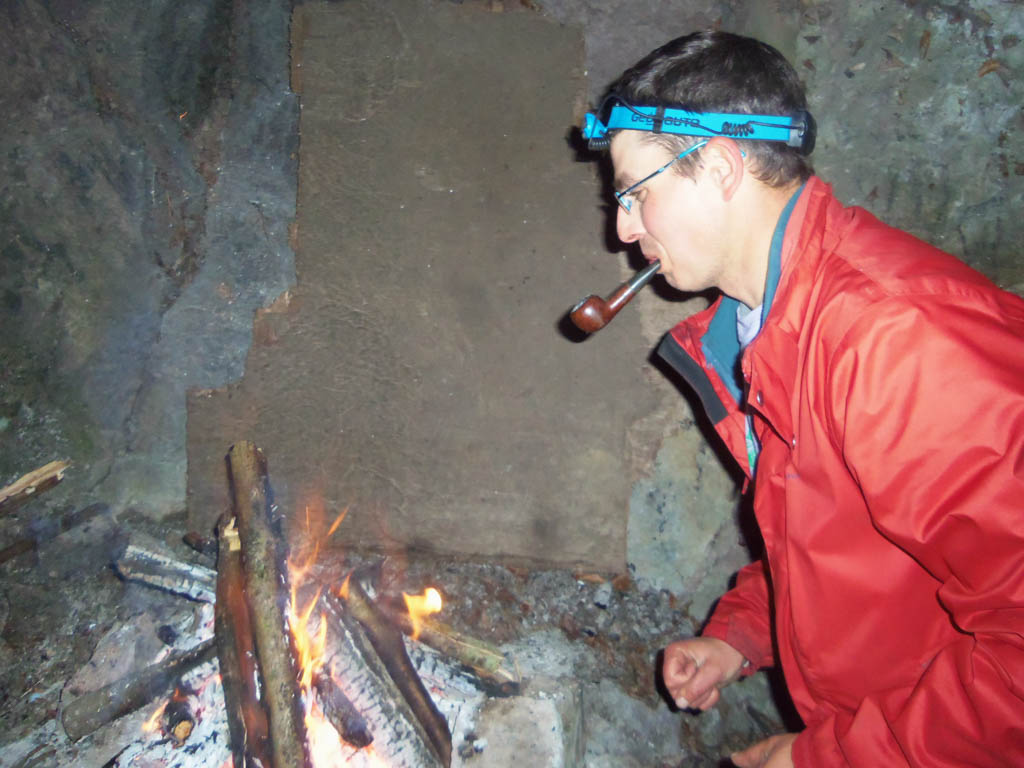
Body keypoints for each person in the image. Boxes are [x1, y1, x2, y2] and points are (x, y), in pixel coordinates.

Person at [580, 31, 1024, 767]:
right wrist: (742, 634)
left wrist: (831, 757)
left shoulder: (897, 339)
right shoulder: (765, 327)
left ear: (719, 168)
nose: (622, 228)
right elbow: (832, 535)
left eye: (636, 193)